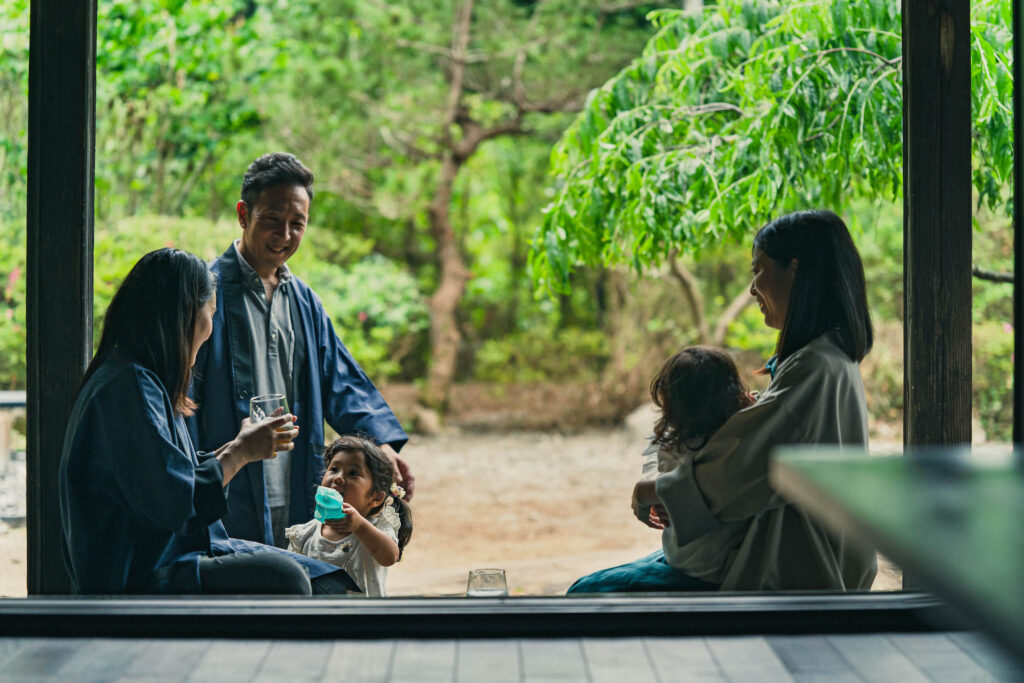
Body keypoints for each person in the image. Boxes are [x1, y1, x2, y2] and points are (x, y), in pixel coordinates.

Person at [59, 248, 358, 595]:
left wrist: (237, 445)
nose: (211, 327)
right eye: (211, 312)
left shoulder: (133, 378)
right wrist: (242, 453)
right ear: (185, 315)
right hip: (144, 574)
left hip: (167, 559)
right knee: (288, 578)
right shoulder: (128, 388)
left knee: (325, 578)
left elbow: (165, 476)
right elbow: (174, 501)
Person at [630, 209, 878, 591]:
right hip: (810, 562)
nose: (752, 288)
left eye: (758, 269)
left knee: (590, 593)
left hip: (793, 577)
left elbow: (741, 467)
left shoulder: (814, 367)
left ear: (794, 270)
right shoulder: (826, 357)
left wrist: (655, 490)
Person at [187, 152, 412, 548]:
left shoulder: (304, 301)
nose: (285, 235)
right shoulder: (206, 292)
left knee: (295, 588)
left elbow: (340, 381)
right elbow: (182, 394)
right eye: (272, 219)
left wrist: (383, 446)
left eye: (297, 224)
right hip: (229, 490)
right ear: (243, 214)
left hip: (297, 486)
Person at [568, 347, 755, 593]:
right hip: (707, 562)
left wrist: (653, 493)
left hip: (698, 572)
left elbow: (663, 467)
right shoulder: (738, 434)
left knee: (582, 590)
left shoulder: (688, 447)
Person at [285, 435, 413, 597]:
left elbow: (389, 557)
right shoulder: (305, 534)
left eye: (353, 473)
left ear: (376, 497)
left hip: (363, 619)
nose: (338, 477)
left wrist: (359, 525)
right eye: (333, 469)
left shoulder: (374, 528)